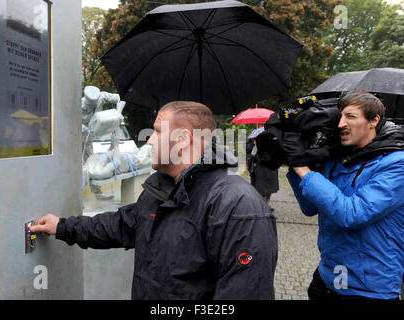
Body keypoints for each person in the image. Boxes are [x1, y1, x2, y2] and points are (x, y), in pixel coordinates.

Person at [31, 101, 278, 300]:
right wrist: (62, 226)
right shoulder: (159, 190)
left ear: (182, 140)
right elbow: (118, 225)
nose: (149, 140)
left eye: (158, 131)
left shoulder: (237, 205)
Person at [287, 89, 404, 300]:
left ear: (373, 120)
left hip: (369, 290)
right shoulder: (339, 158)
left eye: (350, 116)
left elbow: (352, 214)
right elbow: (310, 207)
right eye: (340, 116)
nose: (341, 124)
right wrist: (295, 164)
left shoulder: (397, 164)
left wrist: (303, 168)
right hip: (327, 279)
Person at [81, 86, 121, 200]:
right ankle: (78, 197)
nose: (92, 107)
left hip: (88, 139)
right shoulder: (79, 106)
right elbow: (73, 123)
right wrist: (86, 129)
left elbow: (119, 98)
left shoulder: (101, 96)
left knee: (91, 163)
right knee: (80, 166)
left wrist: (118, 113)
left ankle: (98, 193)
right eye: (90, 106)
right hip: (76, 137)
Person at [246, 127, 279, 208]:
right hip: (259, 168)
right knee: (261, 189)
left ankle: (266, 205)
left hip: (271, 167)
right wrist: (254, 144)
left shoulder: (273, 136)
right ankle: (262, 207)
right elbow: (247, 149)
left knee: (269, 189)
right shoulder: (253, 137)